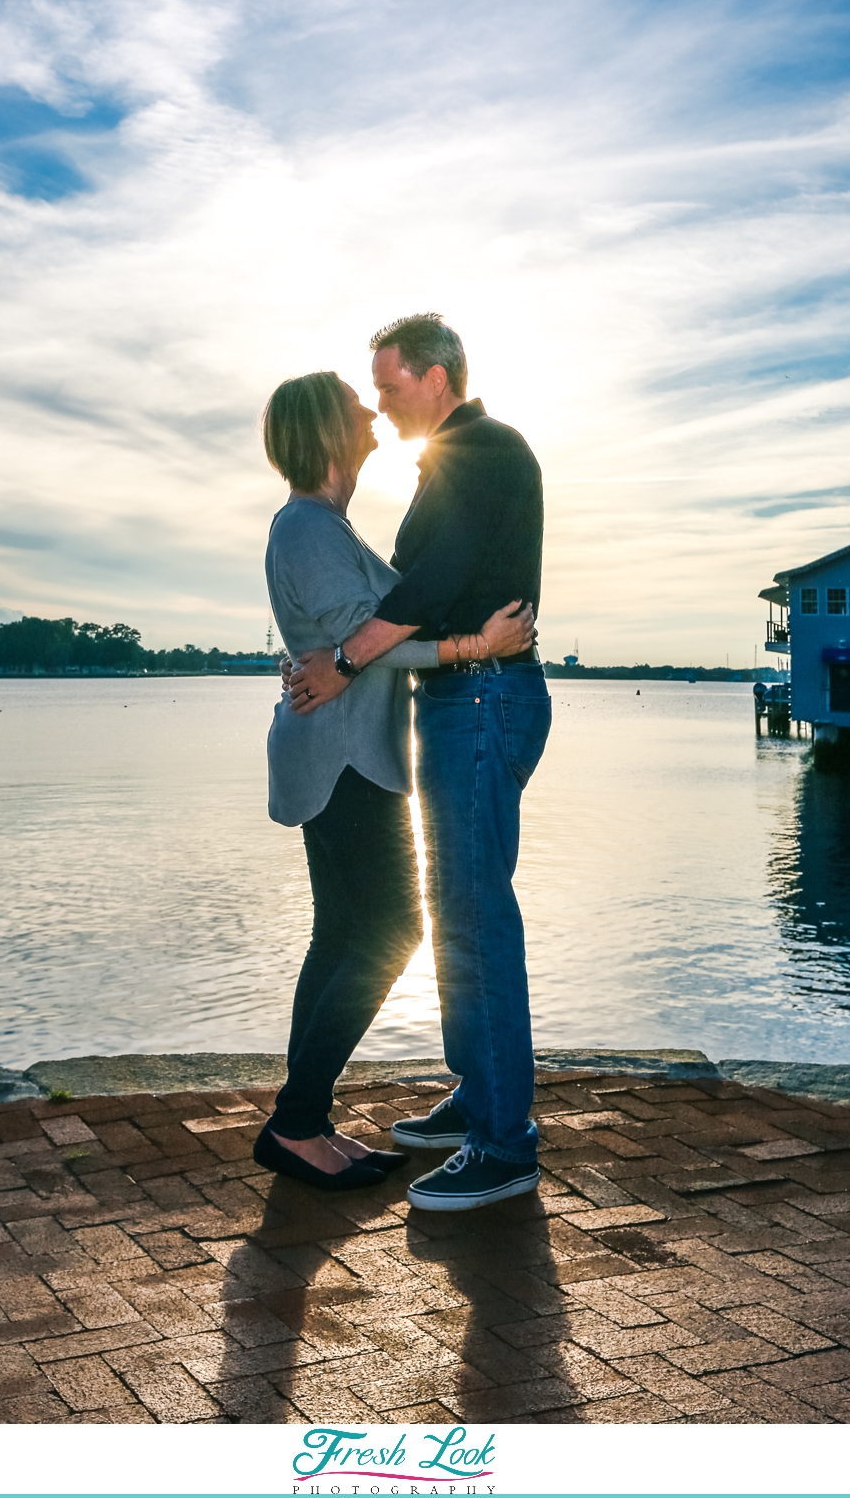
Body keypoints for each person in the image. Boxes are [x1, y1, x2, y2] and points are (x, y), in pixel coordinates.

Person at [288, 315, 550, 1212]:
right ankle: (482, 1096)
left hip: (483, 702)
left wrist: (346, 661)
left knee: (476, 918)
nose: (380, 401)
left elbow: (427, 586)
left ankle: (504, 1143)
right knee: (457, 910)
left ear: (436, 378)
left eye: (390, 385)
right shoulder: (456, 461)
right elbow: (423, 593)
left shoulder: (481, 452)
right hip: (463, 701)